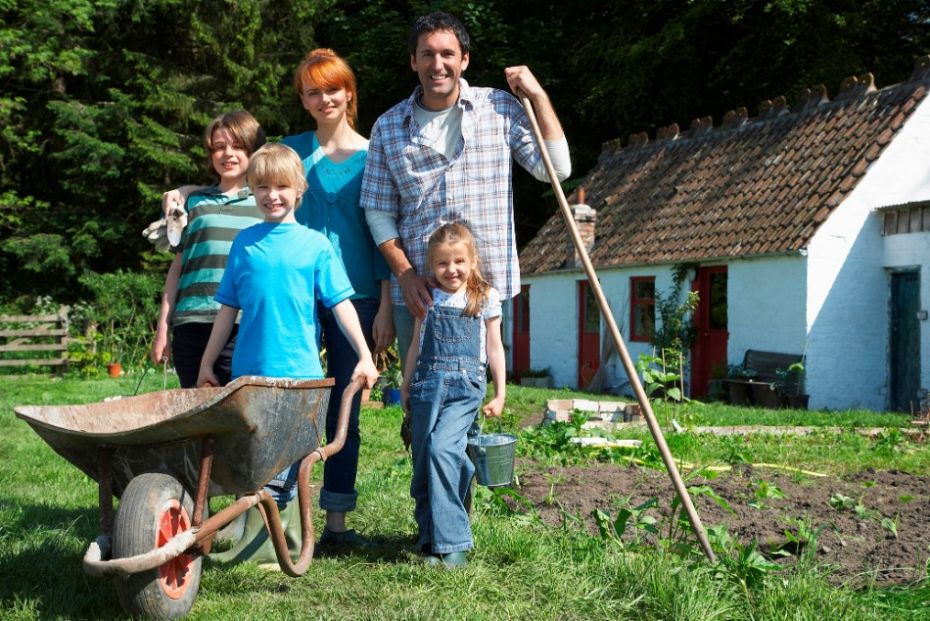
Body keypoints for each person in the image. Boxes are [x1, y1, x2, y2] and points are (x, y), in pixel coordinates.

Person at [198, 143, 379, 566]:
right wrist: (209, 363)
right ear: (252, 190)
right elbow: (227, 310)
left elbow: (341, 306)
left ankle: (285, 539)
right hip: (250, 375)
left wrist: (365, 356)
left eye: (281, 186)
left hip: (299, 374)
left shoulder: (315, 245)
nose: (271, 195)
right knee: (255, 456)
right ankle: (263, 538)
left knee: (291, 459)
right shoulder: (245, 244)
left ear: (300, 190)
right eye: (261, 186)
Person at [361, 10, 571, 368]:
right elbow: (378, 212)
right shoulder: (389, 127)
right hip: (420, 293)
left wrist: (537, 95)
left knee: (467, 400)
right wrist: (406, 275)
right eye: (427, 54)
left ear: (465, 59)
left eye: (447, 54)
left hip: (481, 289)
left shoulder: (499, 108)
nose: (437, 64)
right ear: (413, 61)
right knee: (420, 400)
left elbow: (556, 169)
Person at [281, 48, 393, 547]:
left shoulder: (376, 156)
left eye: (333, 88)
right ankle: (280, 516)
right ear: (303, 100)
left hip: (361, 298)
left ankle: (336, 524)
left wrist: (388, 305)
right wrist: (188, 192)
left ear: (349, 93)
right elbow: (247, 188)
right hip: (296, 298)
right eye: (313, 90)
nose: (324, 98)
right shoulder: (290, 152)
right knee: (290, 406)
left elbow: (385, 235)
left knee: (343, 410)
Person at [400, 222, 505, 568]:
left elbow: (494, 346)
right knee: (424, 458)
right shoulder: (427, 297)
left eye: (459, 261)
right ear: (432, 265)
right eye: (443, 263)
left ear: (472, 261)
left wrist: (500, 392)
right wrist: (405, 383)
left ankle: (455, 541)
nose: (452, 270)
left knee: (443, 448)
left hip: (465, 388)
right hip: (427, 385)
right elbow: (416, 344)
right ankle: (431, 538)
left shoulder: (484, 297)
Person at [150, 110, 265, 387]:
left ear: (254, 149)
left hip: (242, 325)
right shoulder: (193, 203)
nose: (228, 154)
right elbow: (178, 270)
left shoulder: (266, 202)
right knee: (196, 414)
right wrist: (163, 328)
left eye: (238, 146)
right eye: (219, 147)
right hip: (191, 321)